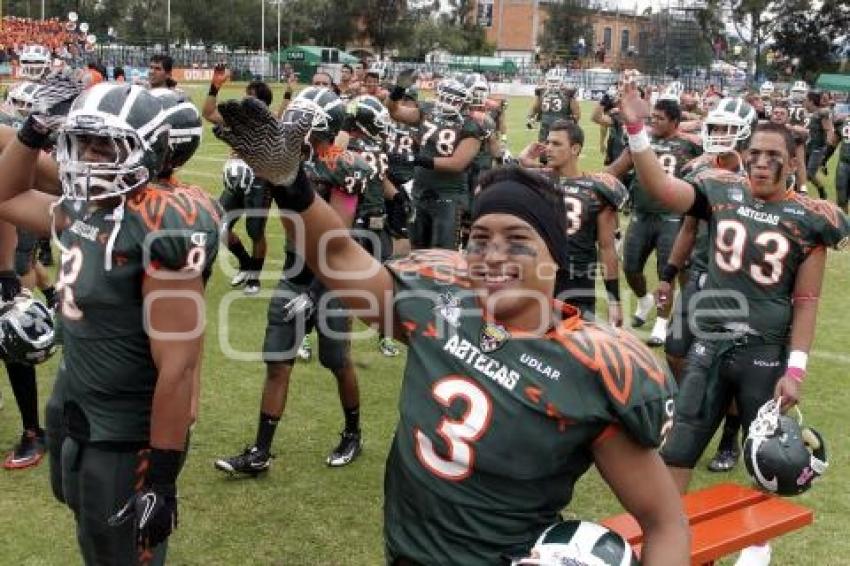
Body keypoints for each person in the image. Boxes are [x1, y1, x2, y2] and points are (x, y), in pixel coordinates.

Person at [215, 99, 688, 564]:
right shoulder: (441, 308)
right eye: (480, 240)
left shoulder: (589, 368)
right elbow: (337, 256)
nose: (493, 256)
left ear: (555, 258)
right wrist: (290, 183)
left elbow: (665, 522)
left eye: (517, 241)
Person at [619, 82, 849, 566]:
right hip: (711, 344)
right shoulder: (718, 189)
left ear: (791, 163)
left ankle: (756, 546)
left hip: (765, 354)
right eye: (755, 153)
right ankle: (668, 539)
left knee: (768, 454)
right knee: (678, 445)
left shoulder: (810, 219)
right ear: (743, 156)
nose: (762, 162)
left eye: (773, 155)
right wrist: (637, 131)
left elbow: (807, 300)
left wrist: (798, 369)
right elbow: (661, 191)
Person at [0, 80, 220, 564]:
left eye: (106, 145)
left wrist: (161, 478)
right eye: (84, 141)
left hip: (126, 428)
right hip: (74, 400)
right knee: (87, 526)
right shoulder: (88, 207)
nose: (89, 157)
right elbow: (5, 195)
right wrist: (35, 129)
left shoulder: (162, 220)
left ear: (148, 151)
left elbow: (178, 366)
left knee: (119, 549)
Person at [213, 87, 371, 474]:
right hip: (294, 274)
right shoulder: (289, 161)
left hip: (331, 281)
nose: (289, 127)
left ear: (319, 127)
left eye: (300, 121)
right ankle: (260, 453)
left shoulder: (344, 165)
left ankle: (353, 433)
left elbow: (337, 239)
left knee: (337, 360)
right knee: (277, 364)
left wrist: (316, 291)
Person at [606, 98, 703, 345]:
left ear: (675, 122)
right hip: (641, 213)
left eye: (660, 118)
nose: (655, 122)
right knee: (630, 267)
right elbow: (617, 168)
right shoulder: (643, 141)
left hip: (671, 217)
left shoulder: (690, 145)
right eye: (653, 117)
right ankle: (644, 301)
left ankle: (661, 323)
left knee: (665, 274)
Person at [518, 120, 627, 326]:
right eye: (548, 142)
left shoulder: (598, 189)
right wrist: (523, 159)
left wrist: (614, 300)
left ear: (575, 148)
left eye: (557, 144)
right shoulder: (536, 180)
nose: (548, 148)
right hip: (538, 276)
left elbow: (606, 249)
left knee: (573, 345)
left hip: (577, 280)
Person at [387, 72, 487, 250]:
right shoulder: (427, 111)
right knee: (418, 249)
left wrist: (415, 159)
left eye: (453, 100)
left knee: (443, 253)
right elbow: (394, 111)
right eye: (443, 97)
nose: (446, 103)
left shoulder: (471, 126)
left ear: (465, 102)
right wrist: (399, 89)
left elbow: (457, 164)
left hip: (448, 195)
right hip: (420, 191)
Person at [203, 65, 274, 295]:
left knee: (255, 231)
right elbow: (209, 113)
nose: (245, 99)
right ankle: (244, 262)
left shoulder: (269, 124)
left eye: (250, 97)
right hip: (235, 181)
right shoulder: (237, 119)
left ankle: (254, 278)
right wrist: (215, 87)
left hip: (259, 181)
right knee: (219, 225)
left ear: (261, 104)